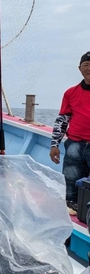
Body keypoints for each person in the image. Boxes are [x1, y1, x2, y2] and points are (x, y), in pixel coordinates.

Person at [49, 51, 90, 214]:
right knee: (71, 184)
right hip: (75, 144)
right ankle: (72, 211)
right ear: (79, 68)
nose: (89, 68)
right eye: (86, 65)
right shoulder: (70, 93)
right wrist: (54, 145)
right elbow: (62, 120)